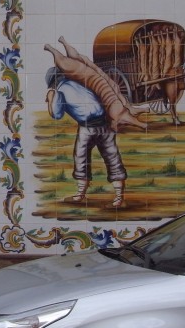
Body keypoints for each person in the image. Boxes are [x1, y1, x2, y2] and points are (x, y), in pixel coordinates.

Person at [45, 41, 129, 209]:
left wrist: (50, 99)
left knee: (81, 158)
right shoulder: (79, 84)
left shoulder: (59, 91)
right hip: (104, 124)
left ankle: (80, 194)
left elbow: (56, 114)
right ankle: (119, 197)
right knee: (112, 157)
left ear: (52, 82)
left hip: (87, 127)